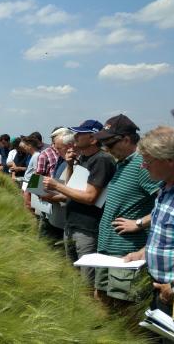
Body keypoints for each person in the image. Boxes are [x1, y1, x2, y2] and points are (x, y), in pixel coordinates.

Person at [91, 115, 160, 304]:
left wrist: (139, 223)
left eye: (110, 144)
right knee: (102, 299)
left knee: (124, 308)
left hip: (128, 254)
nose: (106, 149)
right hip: (107, 251)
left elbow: (171, 205)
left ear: (126, 139)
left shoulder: (142, 166)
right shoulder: (122, 164)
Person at [43, 120, 116, 285]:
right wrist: (69, 166)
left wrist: (55, 186)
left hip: (87, 228)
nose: (75, 136)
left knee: (86, 282)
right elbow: (71, 188)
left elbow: (90, 198)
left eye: (80, 133)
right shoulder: (83, 158)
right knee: (74, 278)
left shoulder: (101, 160)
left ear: (93, 139)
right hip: (72, 225)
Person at [124, 126, 174, 315]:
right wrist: (143, 252)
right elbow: (164, 232)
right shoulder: (165, 188)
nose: (143, 166)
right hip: (161, 291)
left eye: (148, 161)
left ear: (170, 160)